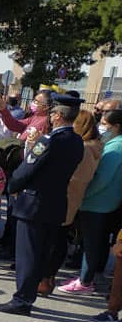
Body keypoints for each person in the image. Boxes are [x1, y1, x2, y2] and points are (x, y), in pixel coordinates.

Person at [0, 93, 85, 316]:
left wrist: (12, 186)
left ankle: (22, 300)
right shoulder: (77, 141)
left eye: (53, 113)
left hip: (33, 203)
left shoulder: (49, 140)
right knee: (41, 253)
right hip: (56, 203)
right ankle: (28, 295)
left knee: (28, 255)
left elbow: (27, 169)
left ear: (59, 115)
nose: (50, 116)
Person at [56, 109, 122, 294]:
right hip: (102, 201)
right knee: (93, 242)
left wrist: (83, 195)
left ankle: (85, 281)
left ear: (116, 126)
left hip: (98, 202)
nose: (101, 126)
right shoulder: (113, 143)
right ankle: (86, 277)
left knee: (91, 243)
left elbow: (101, 178)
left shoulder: (116, 147)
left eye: (105, 124)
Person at [37, 109, 101, 295]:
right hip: (73, 196)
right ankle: (47, 277)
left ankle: (46, 278)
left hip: (65, 195)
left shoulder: (84, 148)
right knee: (58, 238)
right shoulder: (94, 146)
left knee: (54, 241)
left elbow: (73, 174)